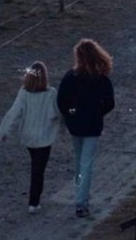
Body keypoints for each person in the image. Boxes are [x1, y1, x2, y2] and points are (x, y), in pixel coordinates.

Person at [56, 38, 115, 218]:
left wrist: (71, 114)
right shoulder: (101, 79)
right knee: (86, 163)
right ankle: (81, 202)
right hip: (92, 125)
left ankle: (80, 196)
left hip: (75, 125)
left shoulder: (70, 77)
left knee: (79, 161)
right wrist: (97, 113)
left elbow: (61, 102)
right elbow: (110, 103)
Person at [0, 61, 61, 214]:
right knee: (39, 170)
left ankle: (34, 200)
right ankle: (34, 202)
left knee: (36, 166)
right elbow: (56, 113)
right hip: (44, 138)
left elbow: (14, 112)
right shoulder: (51, 93)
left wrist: (4, 130)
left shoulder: (23, 93)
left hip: (28, 136)